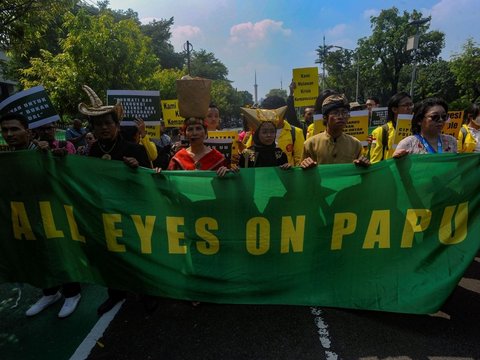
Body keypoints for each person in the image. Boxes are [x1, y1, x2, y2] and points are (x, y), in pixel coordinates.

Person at [78, 85, 152, 315]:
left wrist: (136, 169)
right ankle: (115, 294)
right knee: (110, 254)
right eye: (98, 125)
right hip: (105, 212)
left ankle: (146, 293)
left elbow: (150, 181)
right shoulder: (91, 151)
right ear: (93, 128)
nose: (103, 128)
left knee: (139, 254)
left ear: (117, 126)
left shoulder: (135, 149)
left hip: (133, 212)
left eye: (108, 123)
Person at [0, 112, 82, 318]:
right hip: (24, 215)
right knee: (37, 253)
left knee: (59, 251)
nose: (9, 134)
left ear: (27, 132)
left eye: (14, 129)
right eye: (5, 130)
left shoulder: (44, 152)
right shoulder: (6, 159)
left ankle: (72, 293)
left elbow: (66, 175)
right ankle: (50, 292)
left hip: (51, 212)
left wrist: (55, 156)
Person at [300, 94, 370, 168]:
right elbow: (301, 174)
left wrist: (363, 165)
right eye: (335, 113)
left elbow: (361, 174)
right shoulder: (310, 144)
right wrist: (304, 165)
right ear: (325, 117)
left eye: (344, 112)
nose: (341, 116)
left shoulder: (355, 144)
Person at [252, 95, 305, 166]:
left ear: (282, 113)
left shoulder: (296, 132)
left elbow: (300, 160)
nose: (268, 117)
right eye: (266, 113)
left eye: (272, 114)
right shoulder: (257, 131)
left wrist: (290, 169)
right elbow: (249, 155)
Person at [370, 92, 413, 163]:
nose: (409, 108)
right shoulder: (379, 132)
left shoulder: (417, 129)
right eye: (406, 105)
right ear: (394, 109)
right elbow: (375, 162)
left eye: (411, 105)